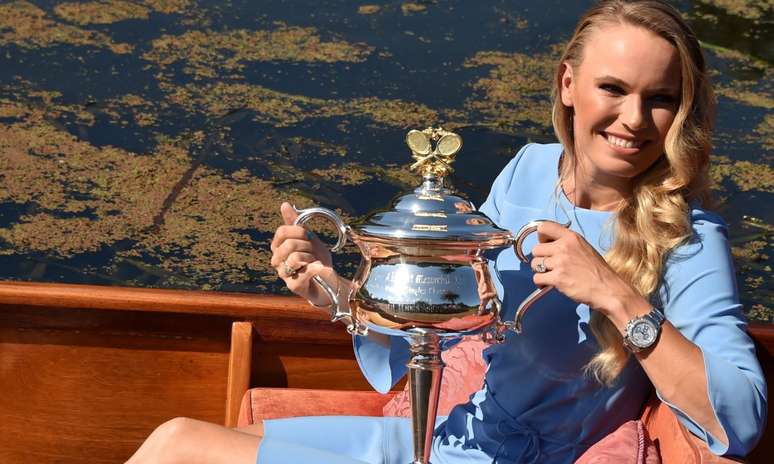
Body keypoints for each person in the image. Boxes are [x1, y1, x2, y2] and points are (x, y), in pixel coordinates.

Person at [125, 1, 767, 463]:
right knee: (174, 440)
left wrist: (617, 296)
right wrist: (338, 293)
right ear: (569, 85)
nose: (634, 118)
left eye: (659, 97)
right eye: (613, 88)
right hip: (444, 435)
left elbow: (741, 421)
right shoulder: (528, 169)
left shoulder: (687, 235)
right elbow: (445, 314)